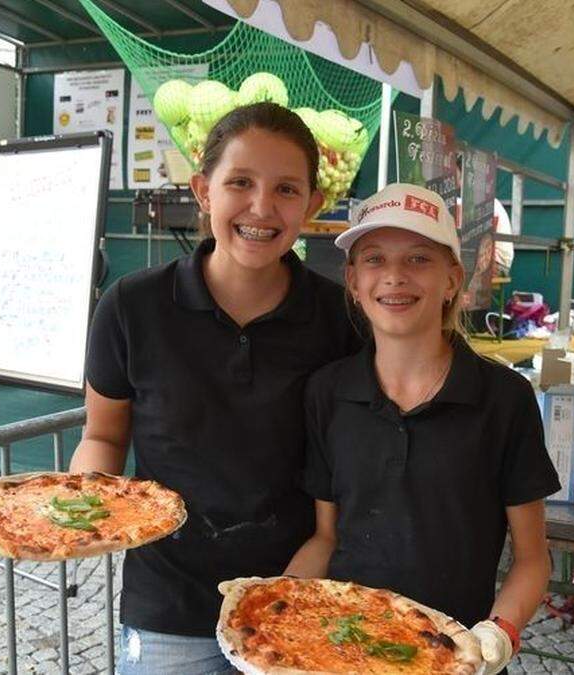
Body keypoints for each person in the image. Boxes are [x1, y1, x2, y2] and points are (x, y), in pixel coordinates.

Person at [69, 102, 361, 674]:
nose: (261, 207)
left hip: (297, 593)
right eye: (240, 183)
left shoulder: (342, 319)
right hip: (169, 603)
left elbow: (353, 462)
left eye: (285, 189)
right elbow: (102, 436)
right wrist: (87, 506)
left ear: (313, 205)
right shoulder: (131, 306)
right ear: (203, 191)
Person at [286, 183, 560, 674]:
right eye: (374, 259)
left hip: (448, 657)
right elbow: (326, 539)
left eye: (418, 259)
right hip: (341, 652)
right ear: (352, 280)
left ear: (452, 279)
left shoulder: (504, 400)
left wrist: (499, 632)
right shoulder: (326, 393)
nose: (394, 277)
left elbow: (532, 559)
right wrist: (279, 605)